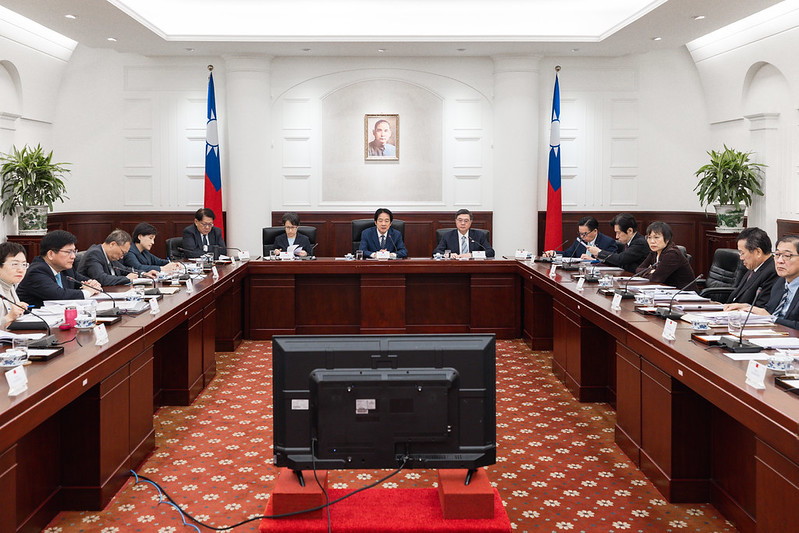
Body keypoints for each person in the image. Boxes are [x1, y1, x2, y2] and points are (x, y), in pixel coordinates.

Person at [725, 235, 799, 329]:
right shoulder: (780, 282)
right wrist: (748, 308)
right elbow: (768, 311)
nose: (779, 261)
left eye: (787, 256)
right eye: (777, 255)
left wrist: (771, 319)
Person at [17, 230, 101, 308]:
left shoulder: (66, 269)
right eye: (68, 252)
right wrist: (88, 292)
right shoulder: (36, 272)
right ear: (50, 254)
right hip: (34, 321)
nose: (73, 256)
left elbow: (84, 281)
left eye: (74, 251)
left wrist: (93, 284)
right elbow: (59, 295)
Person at [723, 227, 779, 309]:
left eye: (742, 253)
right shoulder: (754, 267)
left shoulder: (772, 272)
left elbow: (761, 307)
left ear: (758, 252)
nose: (741, 258)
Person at [635, 221, 698, 291]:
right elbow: (638, 270)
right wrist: (652, 271)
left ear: (667, 239)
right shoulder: (654, 252)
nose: (652, 241)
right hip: (666, 292)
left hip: (683, 295)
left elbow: (656, 278)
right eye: (649, 237)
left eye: (656, 237)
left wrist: (651, 272)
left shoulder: (672, 254)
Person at [79, 229, 156, 286]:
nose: (122, 257)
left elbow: (124, 269)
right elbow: (101, 279)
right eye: (122, 252)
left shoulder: (110, 255)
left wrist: (143, 274)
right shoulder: (94, 254)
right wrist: (127, 279)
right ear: (112, 244)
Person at [544, 216, 618, 258]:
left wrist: (593, 260)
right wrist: (553, 253)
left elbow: (611, 262)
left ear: (595, 231)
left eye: (585, 234)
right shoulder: (580, 240)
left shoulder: (608, 242)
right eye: (580, 233)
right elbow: (568, 253)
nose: (582, 237)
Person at [0, 242, 30, 329]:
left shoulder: (11, 285)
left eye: (24, 265)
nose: (21, 270)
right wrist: (9, 317)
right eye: (15, 264)